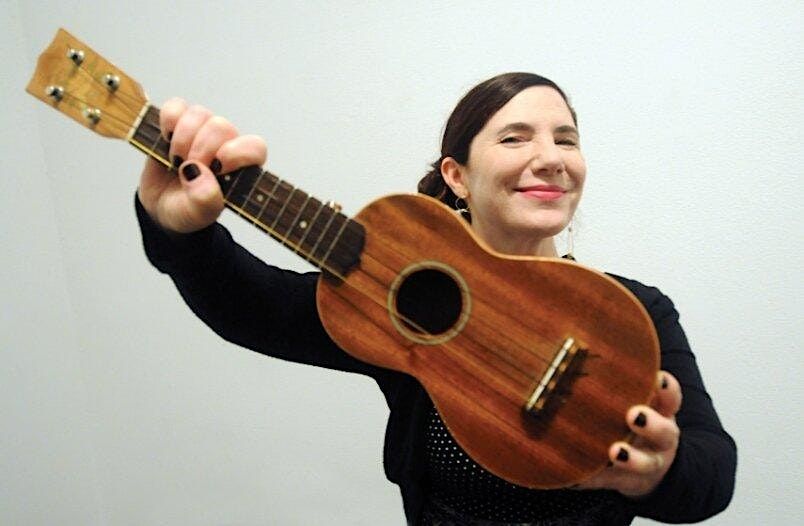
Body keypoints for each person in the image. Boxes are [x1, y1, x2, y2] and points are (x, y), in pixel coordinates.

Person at [135, 73, 736, 525]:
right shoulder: (408, 305)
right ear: (456, 175)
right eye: (514, 137)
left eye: (566, 139)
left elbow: (714, 472)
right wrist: (181, 234)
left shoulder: (633, 312)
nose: (550, 158)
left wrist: (659, 474)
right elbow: (255, 307)